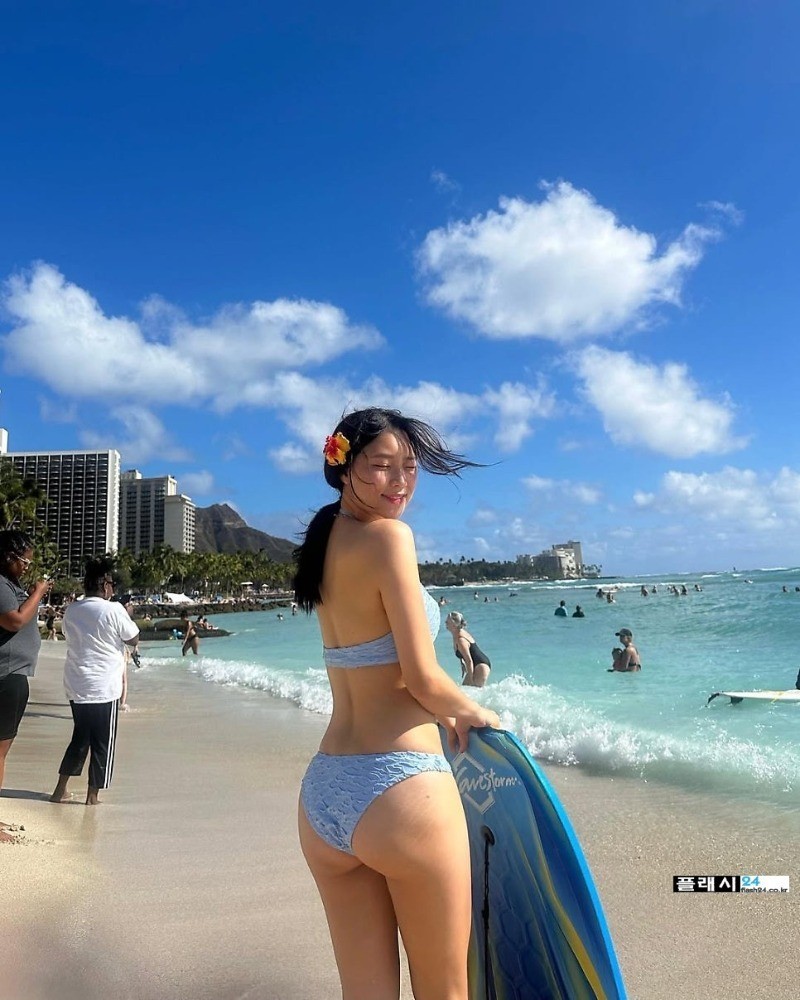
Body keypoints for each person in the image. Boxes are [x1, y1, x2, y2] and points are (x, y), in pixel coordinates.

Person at [293, 407, 500, 999]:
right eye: (381, 466)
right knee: (445, 991)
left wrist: (450, 707)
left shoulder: (324, 542)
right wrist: (479, 714)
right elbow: (422, 679)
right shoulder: (389, 538)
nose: (400, 481)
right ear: (342, 467)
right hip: (401, 788)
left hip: (325, 795)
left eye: (409, 467)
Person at [50, 559, 139, 806]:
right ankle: (92, 796)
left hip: (76, 683)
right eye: (112, 584)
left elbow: (68, 635)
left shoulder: (72, 610)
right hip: (103, 686)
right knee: (102, 743)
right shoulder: (114, 609)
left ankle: (60, 790)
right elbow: (133, 637)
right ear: (105, 586)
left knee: (80, 737)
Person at [0, 530, 52, 799]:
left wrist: (30, 594)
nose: (27, 567)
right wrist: (39, 593)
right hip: (7, 674)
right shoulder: (0, 584)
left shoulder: (9, 584)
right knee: (0, 750)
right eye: (25, 561)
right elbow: (15, 620)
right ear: (9, 557)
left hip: (11, 673)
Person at [445, 611, 492, 687]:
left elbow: (469, 660)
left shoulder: (461, 640)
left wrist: (470, 677)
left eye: (447, 622)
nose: (445, 623)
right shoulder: (456, 633)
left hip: (480, 665)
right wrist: (462, 663)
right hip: (476, 664)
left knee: (471, 690)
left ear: (454, 624)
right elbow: (463, 652)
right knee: (465, 690)